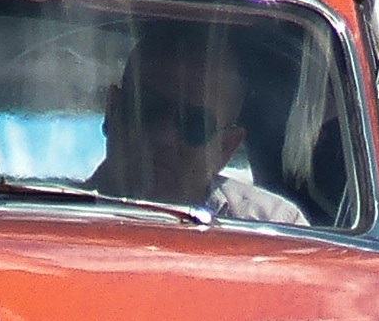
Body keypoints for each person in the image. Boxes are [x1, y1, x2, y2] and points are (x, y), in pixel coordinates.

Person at [93, 19, 304, 222]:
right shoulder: (60, 219)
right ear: (113, 110)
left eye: (195, 124)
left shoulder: (271, 229)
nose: (164, 136)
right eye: (147, 109)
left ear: (225, 148)